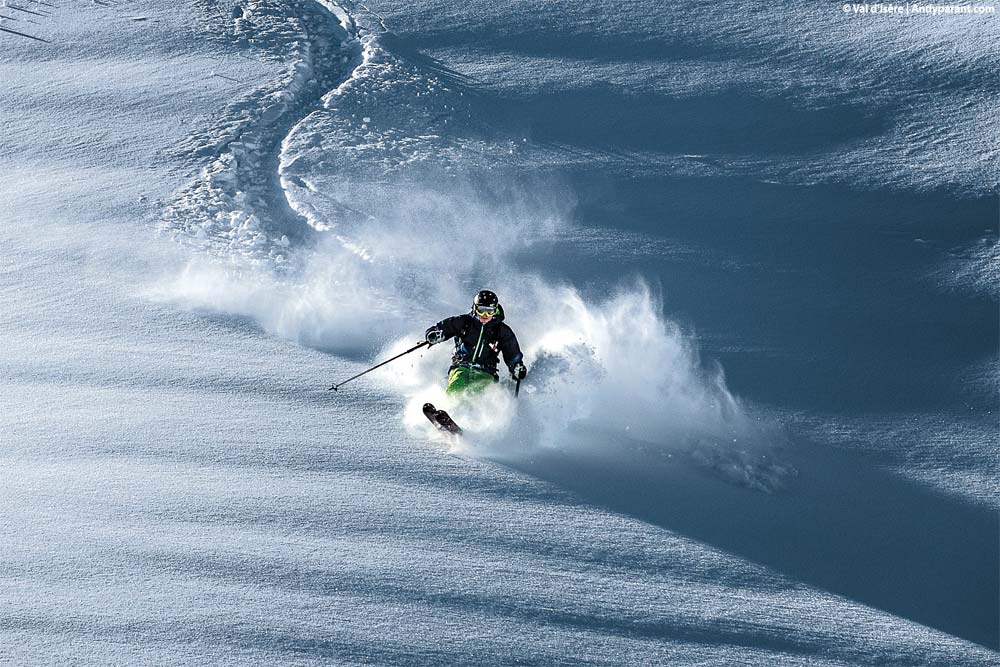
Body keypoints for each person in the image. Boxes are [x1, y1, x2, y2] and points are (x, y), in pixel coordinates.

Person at [425, 289, 528, 395]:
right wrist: (435, 334)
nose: (485, 314)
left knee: (478, 391)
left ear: (495, 310)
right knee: (457, 384)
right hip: (461, 366)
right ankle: (448, 407)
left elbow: (511, 351)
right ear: (475, 308)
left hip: (486, 372)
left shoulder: (501, 330)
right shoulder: (465, 322)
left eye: (490, 311)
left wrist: (516, 366)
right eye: (481, 310)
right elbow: (445, 327)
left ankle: (474, 411)